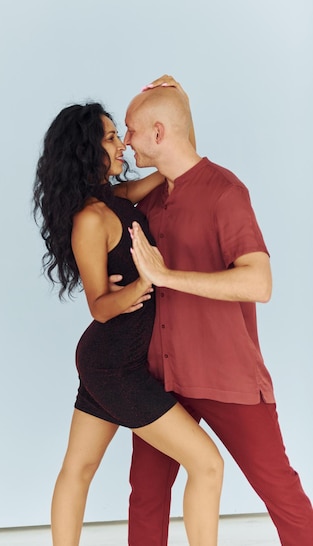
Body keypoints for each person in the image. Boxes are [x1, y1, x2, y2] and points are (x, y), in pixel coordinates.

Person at [123, 76, 313, 546]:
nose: (125, 142)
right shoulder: (151, 197)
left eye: (131, 129)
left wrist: (167, 276)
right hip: (161, 379)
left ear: (160, 133)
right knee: (145, 498)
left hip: (225, 376)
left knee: (281, 494)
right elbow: (120, 195)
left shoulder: (227, 192)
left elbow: (259, 282)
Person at [33, 101, 223, 546]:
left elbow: (179, 159)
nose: (122, 144)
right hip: (113, 364)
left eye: (120, 135)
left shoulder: (114, 200)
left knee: (79, 468)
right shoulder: (89, 220)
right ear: (85, 150)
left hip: (117, 360)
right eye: (111, 137)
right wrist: (140, 287)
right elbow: (99, 307)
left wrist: (179, 103)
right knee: (207, 464)